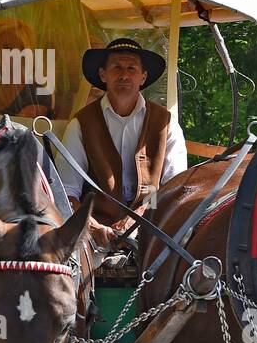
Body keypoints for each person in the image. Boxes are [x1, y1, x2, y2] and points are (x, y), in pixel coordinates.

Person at [55, 38, 188, 254]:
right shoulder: (81, 123)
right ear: (103, 75)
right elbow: (67, 192)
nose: (124, 74)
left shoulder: (165, 123)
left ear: (143, 77)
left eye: (131, 68)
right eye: (116, 67)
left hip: (151, 229)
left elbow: (173, 188)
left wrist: (139, 218)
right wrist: (92, 227)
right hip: (91, 237)